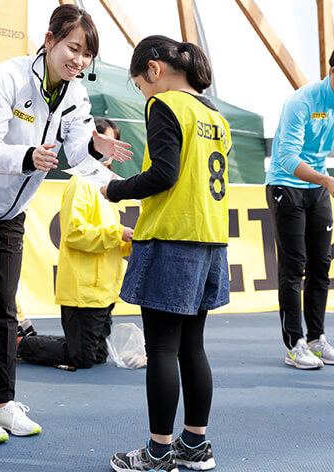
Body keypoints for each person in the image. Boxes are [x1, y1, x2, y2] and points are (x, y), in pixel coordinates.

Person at [0, 5, 132, 445]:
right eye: (73, 48)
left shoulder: (77, 94)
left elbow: (78, 156)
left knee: (5, 309)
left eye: (87, 54)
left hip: (9, 212)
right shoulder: (5, 78)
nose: (79, 60)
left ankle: (3, 405)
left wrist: (119, 179)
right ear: (50, 40)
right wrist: (28, 158)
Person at [100, 35, 230, 472]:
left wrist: (115, 188)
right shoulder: (215, 114)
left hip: (173, 238)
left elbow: (165, 173)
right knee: (192, 346)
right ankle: (195, 446)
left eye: (139, 85)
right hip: (210, 239)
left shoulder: (164, 105)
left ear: (154, 70)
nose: (143, 94)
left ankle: (158, 453)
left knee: (161, 349)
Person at [265, 42, 334, 370]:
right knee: (293, 268)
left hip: (317, 189)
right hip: (286, 186)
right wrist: (327, 181)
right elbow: (286, 159)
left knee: (321, 265)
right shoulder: (301, 102)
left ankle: (316, 339)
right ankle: (294, 343)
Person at [16, 117, 133, 369]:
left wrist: (129, 241)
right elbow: (75, 234)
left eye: (116, 141)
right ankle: (19, 343)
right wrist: (119, 233)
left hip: (104, 290)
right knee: (81, 358)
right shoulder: (81, 182)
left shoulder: (108, 182)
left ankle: (32, 340)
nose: (113, 147)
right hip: (84, 291)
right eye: (107, 141)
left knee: (96, 355)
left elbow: (109, 236)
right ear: (93, 144)